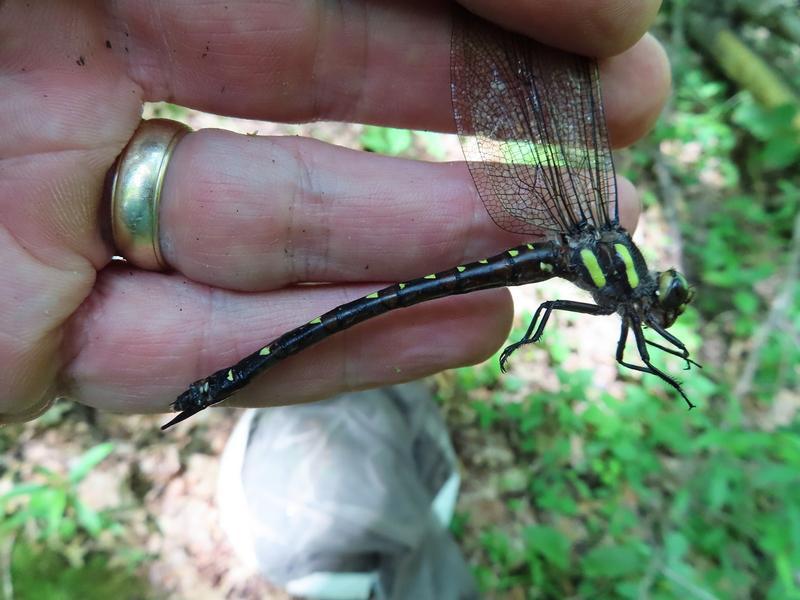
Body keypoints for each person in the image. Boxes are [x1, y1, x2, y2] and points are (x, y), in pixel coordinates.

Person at [2, 1, 669, 596]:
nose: (658, 312)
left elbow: (579, 320)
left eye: (662, 307)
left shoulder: (613, 263)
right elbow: (598, 331)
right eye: (661, 302)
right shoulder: (617, 271)